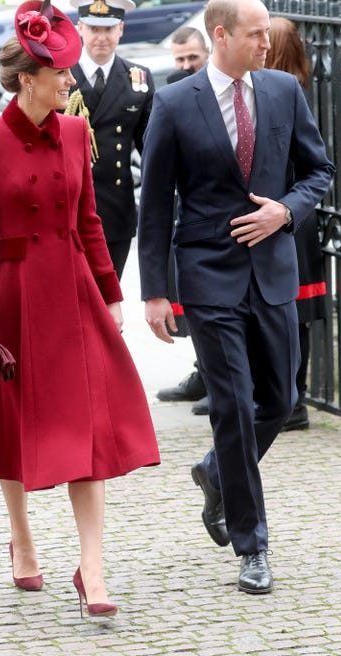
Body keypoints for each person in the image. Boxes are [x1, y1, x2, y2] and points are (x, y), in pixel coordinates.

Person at [0, 0, 160, 616]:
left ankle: (93, 569)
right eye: (58, 72)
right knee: (13, 420)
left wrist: (110, 295)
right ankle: (23, 539)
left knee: (85, 429)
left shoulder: (78, 131)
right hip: (13, 294)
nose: (68, 79)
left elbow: (88, 221)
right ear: (28, 79)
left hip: (74, 290)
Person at [138, 0, 333, 594]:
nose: (265, 42)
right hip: (207, 276)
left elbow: (318, 171)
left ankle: (215, 472)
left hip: (273, 270)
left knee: (278, 399)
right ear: (220, 35)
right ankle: (253, 546)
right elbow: (156, 205)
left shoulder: (283, 90)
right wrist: (155, 292)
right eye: (254, 33)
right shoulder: (173, 104)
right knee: (233, 406)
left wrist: (285, 211)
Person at [265, 16, 327, 432]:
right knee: (288, 313)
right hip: (295, 213)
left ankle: (294, 400)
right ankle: (290, 398)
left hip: (290, 212)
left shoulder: (288, 93)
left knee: (292, 312)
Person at [66, 0, 154, 279]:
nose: (100, 37)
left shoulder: (137, 79)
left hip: (116, 208)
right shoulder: (59, 75)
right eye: (93, 29)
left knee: (108, 299)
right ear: (79, 28)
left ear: (121, 29)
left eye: (108, 29)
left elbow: (150, 147)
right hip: (68, 204)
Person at [156, 25, 210, 412]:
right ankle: (204, 373)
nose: (187, 66)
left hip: (217, 210)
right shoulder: (170, 92)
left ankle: (216, 380)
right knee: (188, 299)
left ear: (207, 51)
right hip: (182, 209)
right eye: (180, 60)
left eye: (193, 57)